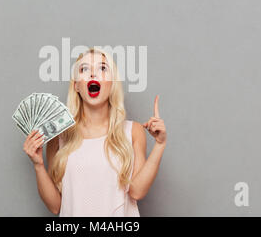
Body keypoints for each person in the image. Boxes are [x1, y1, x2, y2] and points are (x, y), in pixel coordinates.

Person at [23, 48, 167, 216]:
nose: (93, 74)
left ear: (112, 83)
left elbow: (137, 192)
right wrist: (38, 165)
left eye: (102, 68)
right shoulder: (59, 136)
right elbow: (56, 206)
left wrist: (160, 145)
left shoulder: (132, 131)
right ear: (76, 85)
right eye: (84, 69)